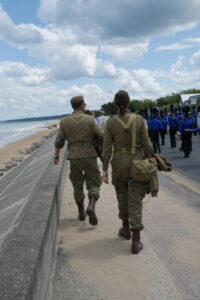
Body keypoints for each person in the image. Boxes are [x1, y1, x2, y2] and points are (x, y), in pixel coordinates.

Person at [102, 90, 154, 254]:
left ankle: (125, 229)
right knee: (135, 200)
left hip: (118, 164)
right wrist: (152, 158)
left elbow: (107, 148)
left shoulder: (110, 122)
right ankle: (136, 241)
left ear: (115, 105)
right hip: (136, 163)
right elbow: (147, 144)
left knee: (122, 196)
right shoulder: (139, 119)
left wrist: (104, 169)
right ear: (129, 103)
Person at [54, 96, 103, 225]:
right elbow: (101, 135)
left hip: (74, 156)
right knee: (93, 181)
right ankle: (91, 205)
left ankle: (81, 212)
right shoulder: (90, 119)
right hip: (89, 154)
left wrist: (56, 155)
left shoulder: (64, 121)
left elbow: (59, 141)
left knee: (77, 183)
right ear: (82, 105)